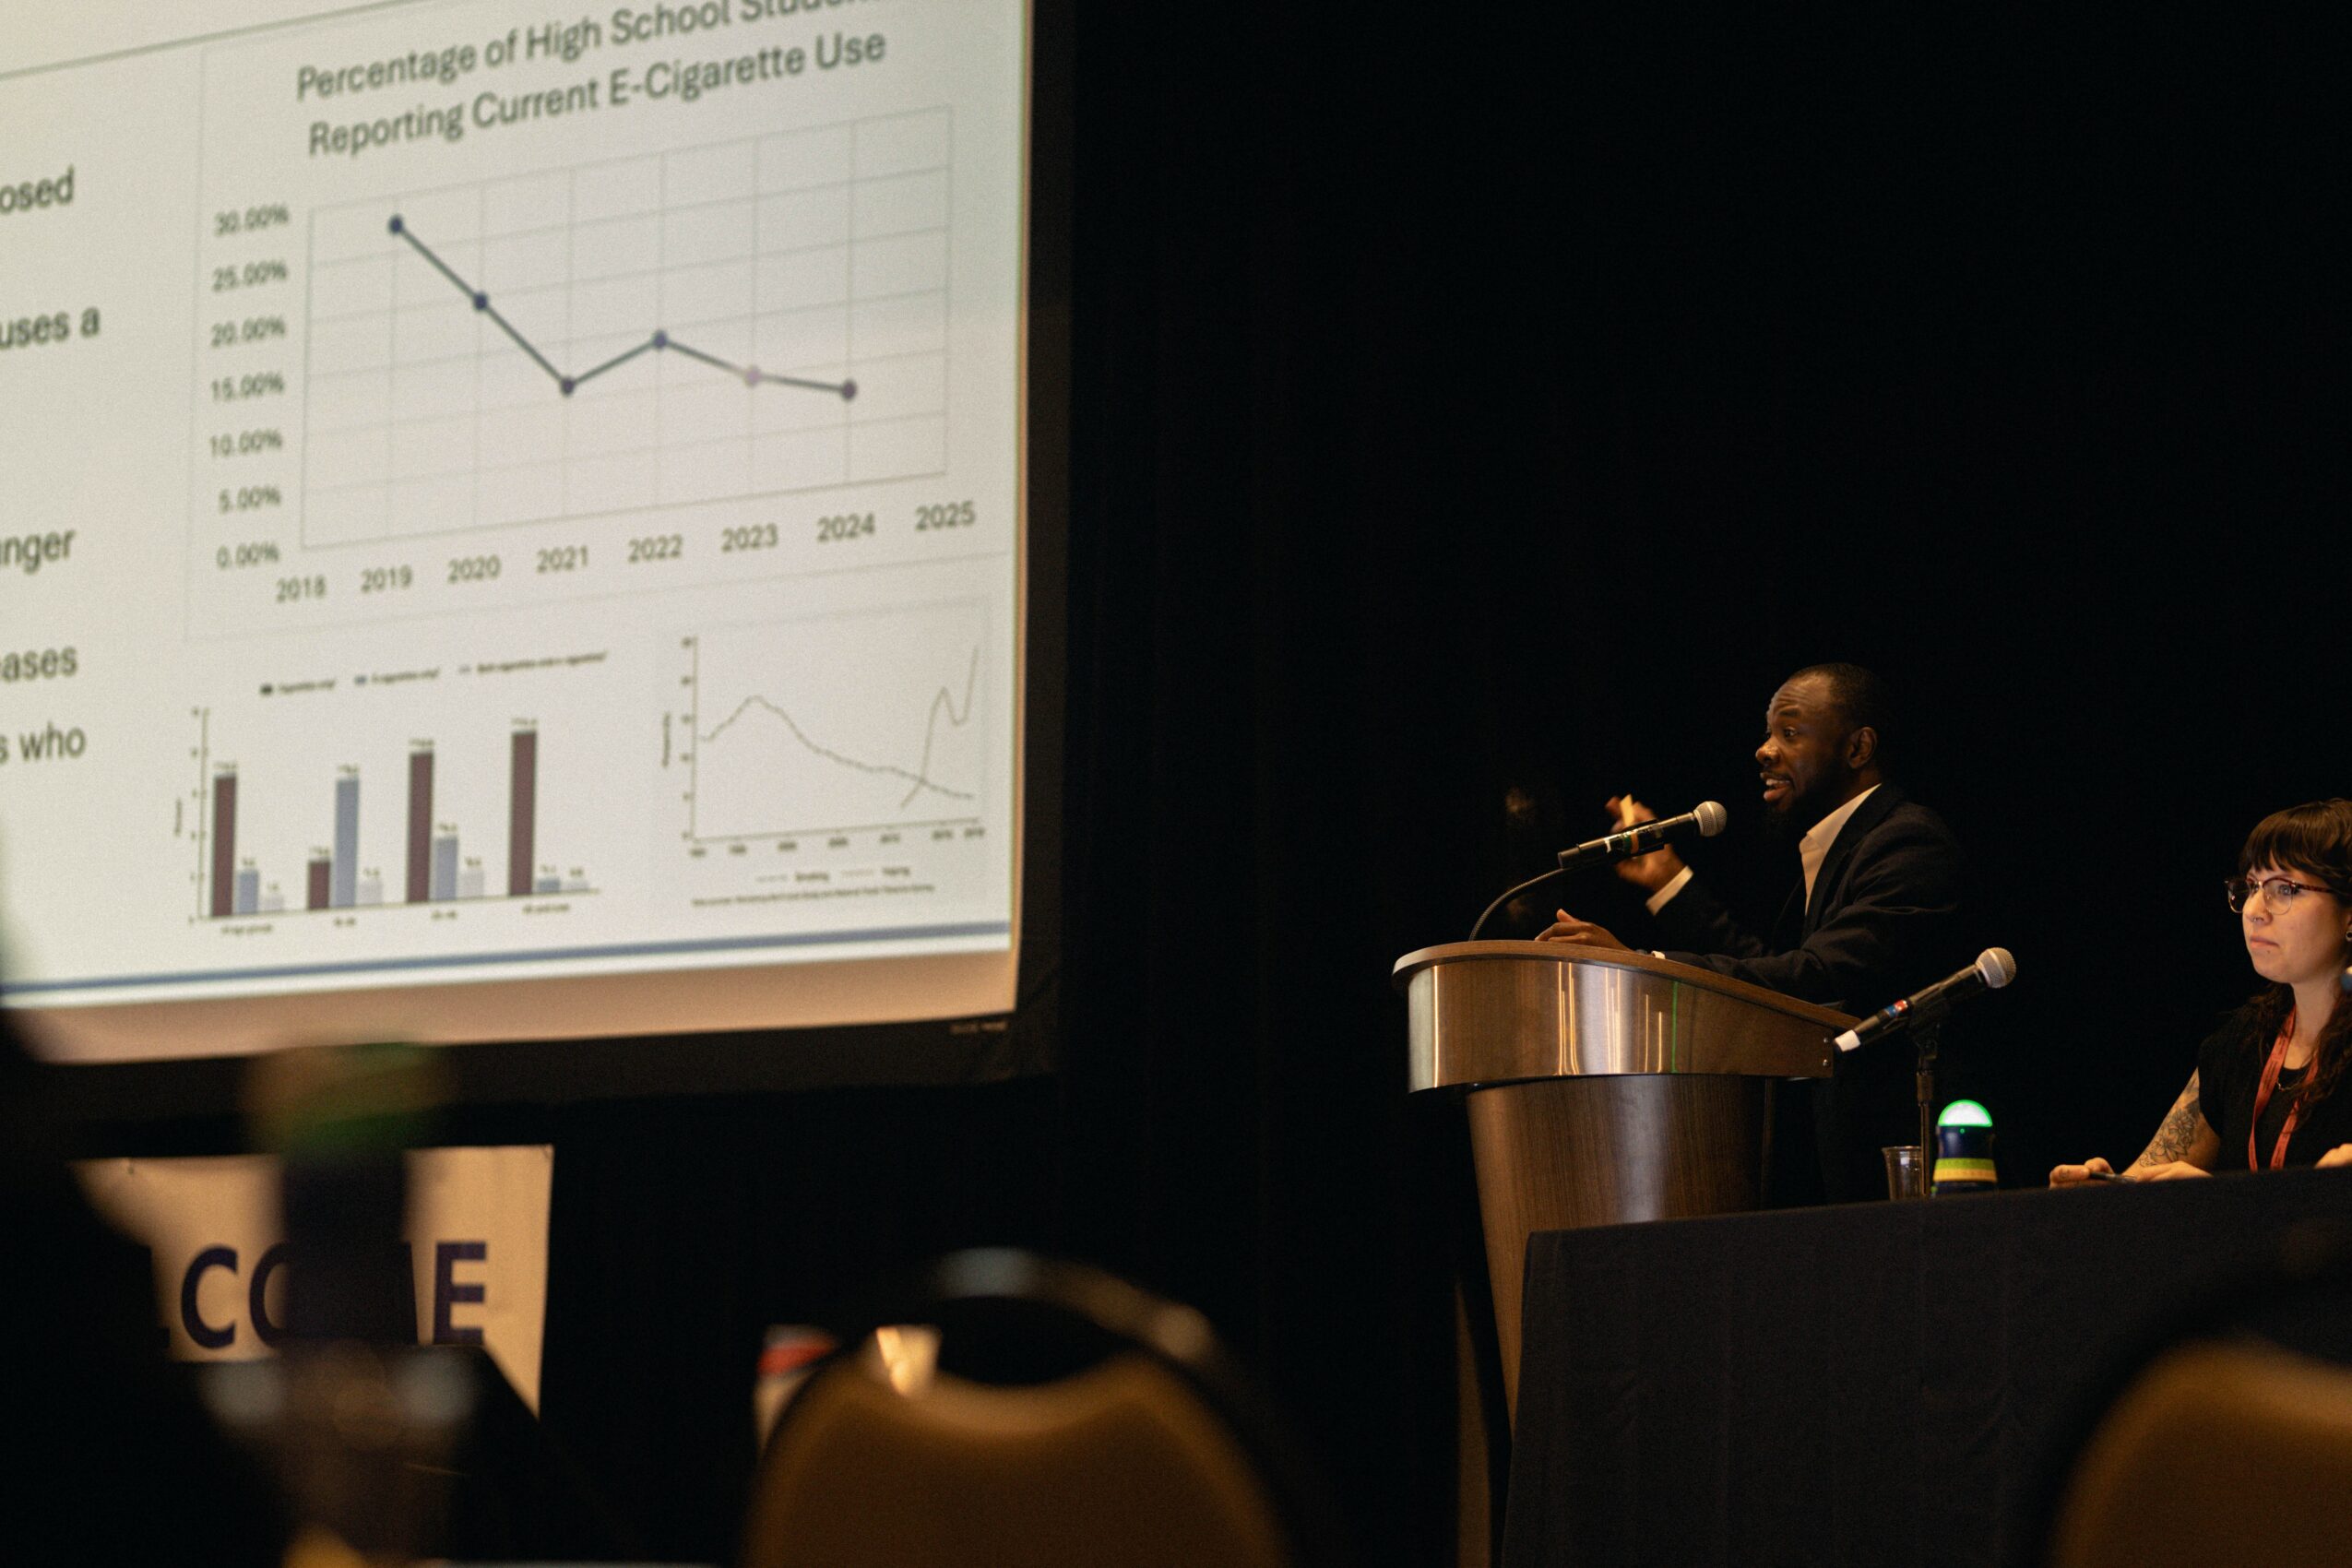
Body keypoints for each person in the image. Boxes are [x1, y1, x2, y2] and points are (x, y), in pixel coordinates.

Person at [1537, 662, 1964, 1201]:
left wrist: (1645, 965)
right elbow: (1768, 975)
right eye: (1767, 733)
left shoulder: (1909, 842)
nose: (1764, 750)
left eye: (1789, 732)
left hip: (1911, 1164)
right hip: (1846, 1168)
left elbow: (1817, 977)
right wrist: (1669, 881)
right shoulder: (1841, 846)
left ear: (1858, 749)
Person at [2052, 800, 2352, 1185]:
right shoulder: (2247, 1038)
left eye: (2285, 889)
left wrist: (2214, 1202)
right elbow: (2148, 1178)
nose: (2255, 910)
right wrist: (2099, 1194)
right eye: (2252, 886)